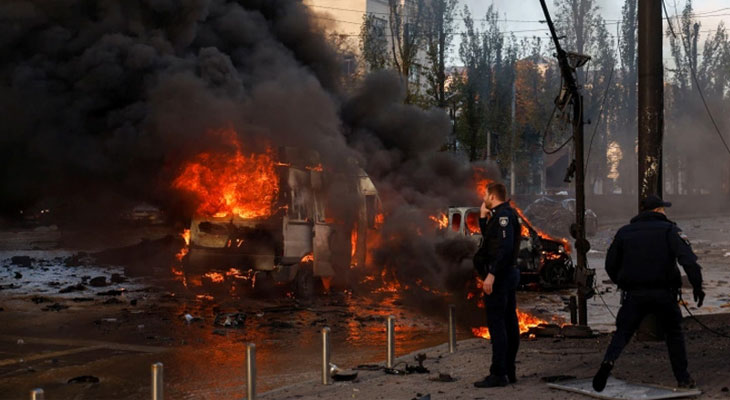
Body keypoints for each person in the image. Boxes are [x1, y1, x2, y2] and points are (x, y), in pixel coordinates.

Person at [592, 194, 705, 392]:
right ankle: (683, 379)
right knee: (674, 335)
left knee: (623, 333)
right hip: (664, 294)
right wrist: (697, 286)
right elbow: (688, 261)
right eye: (663, 208)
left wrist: (624, 282)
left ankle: (608, 362)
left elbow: (610, 264)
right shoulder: (670, 230)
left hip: (634, 294)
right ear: (658, 210)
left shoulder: (624, 232)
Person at [473, 182, 522, 388]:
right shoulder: (503, 214)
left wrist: (491, 275)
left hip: (500, 277)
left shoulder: (503, 217)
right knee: (509, 322)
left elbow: (504, 248)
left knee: (499, 325)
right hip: (506, 275)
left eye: (485, 194)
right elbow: (491, 241)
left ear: (492, 196)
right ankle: (509, 370)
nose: (483, 197)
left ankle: (498, 373)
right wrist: (483, 219)